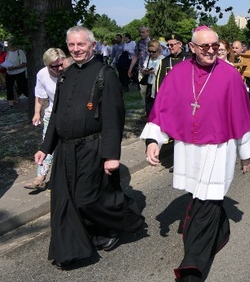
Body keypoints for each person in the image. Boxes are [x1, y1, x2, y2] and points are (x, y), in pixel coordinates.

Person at [140, 27, 250, 281]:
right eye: (205, 47)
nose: (212, 51)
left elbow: (241, 117)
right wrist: (154, 140)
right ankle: (221, 230)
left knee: (209, 198)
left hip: (219, 147)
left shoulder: (230, 76)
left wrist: (245, 154)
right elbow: (163, 109)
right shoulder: (178, 73)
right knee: (200, 194)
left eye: (215, 46)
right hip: (188, 148)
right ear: (192, 48)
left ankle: (193, 264)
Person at [34, 26, 145, 269]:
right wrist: (46, 147)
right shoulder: (65, 74)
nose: (76, 49)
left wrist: (111, 156)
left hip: (92, 148)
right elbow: (56, 117)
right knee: (65, 200)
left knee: (87, 199)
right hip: (65, 150)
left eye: (81, 45)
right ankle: (73, 249)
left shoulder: (105, 74)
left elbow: (114, 119)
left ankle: (120, 220)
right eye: (72, 45)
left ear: (92, 45)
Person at [25, 48, 68, 190]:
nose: (58, 69)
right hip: (53, 113)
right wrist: (37, 113)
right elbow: (40, 96)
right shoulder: (42, 74)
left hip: (72, 113)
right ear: (46, 64)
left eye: (61, 65)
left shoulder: (70, 71)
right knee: (47, 144)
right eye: (54, 66)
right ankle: (41, 177)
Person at [1, 39, 28, 111]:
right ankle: (10, 104)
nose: (9, 45)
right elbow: (6, 61)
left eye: (10, 44)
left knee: (22, 87)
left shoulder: (20, 52)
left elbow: (24, 63)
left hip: (19, 72)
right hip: (10, 73)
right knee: (9, 88)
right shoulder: (9, 53)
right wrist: (5, 66)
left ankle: (31, 98)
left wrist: (15, 67)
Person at [128, 26, 151, 109]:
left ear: (148, 32)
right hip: (141, 69)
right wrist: (130, 68)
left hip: (151, 70)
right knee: (143, 91)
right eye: (140, 32)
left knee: (152, 90)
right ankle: (146, 108)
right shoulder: (139, 43)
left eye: (143, 32)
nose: (141, 34)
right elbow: (135, 56)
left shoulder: (152, 43)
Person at [141, 39, 164, 117]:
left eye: (153, 52)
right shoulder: (148, 58)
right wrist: (147, 71)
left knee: (157, 104)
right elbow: (143, 70)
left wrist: (153, 71)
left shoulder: (162, 59)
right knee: (148, 104)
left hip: (158, 85)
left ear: (158, 50)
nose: (151, 53)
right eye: (149, 51)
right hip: (149, 84)